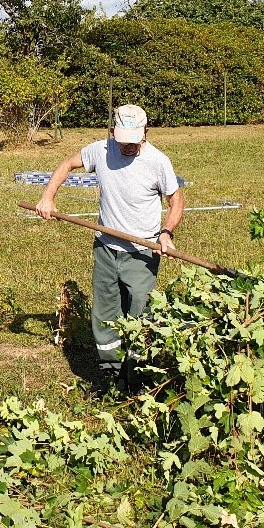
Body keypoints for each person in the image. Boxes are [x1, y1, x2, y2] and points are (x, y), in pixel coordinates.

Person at [35, 104, 183, 388]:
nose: (128, 147)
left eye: (135, 141)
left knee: (139, 315)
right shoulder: (100, 151)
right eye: (123, 140)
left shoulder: (158, 161)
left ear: (146, 133)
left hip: (142, 253)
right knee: (104, 315)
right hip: (105, 248)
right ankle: (110, 375)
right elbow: (68, 163)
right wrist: (47, 197)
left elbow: (176, 200)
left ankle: (137, 377)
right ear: (113, 132)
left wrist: (166, 232)